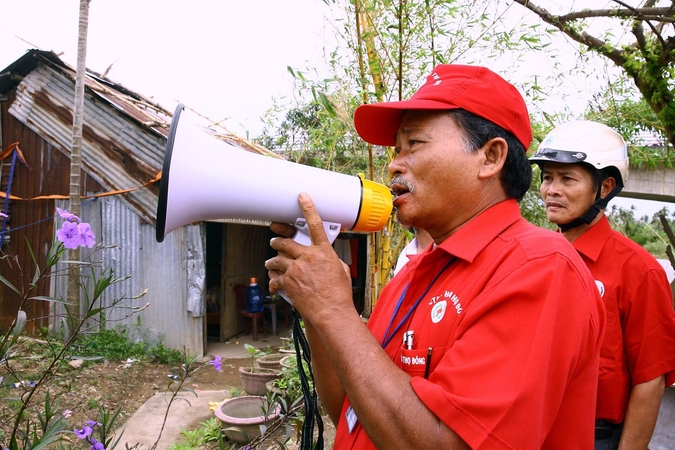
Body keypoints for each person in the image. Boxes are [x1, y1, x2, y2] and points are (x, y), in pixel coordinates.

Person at [265, 64, 605, 449]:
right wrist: (318, 310)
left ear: (491, 157)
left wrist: (334, 310)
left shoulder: (540, 268)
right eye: (396, 149)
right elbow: (351, 407)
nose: (395, 163)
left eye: (415, 144)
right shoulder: (413, 273)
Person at [530, 120, 675, 450]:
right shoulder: (536, 257)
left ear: (606, 186)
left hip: (595, 436)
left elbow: (651, 377)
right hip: (533, 425)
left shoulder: (639, 271)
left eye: (567, 178)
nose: (552, 189)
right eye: (548, 177)